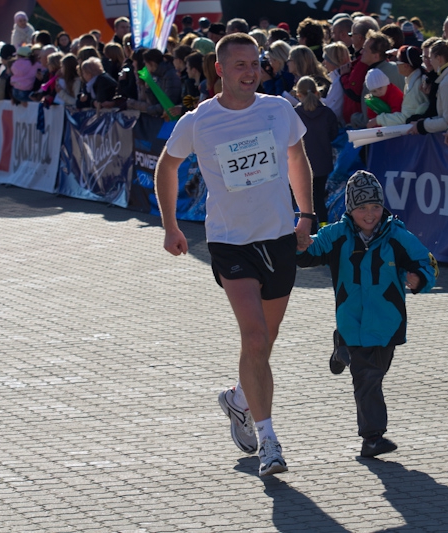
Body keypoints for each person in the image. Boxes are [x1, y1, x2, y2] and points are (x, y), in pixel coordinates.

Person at [153, 33, 314, 477]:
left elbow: (297, 158)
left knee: (267, 340)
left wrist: (307, 215)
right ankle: (269, 441)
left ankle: (239, 399)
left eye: (255, 63)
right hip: (229, 242)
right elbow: (168, 166)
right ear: (220, 70)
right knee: (256, 339)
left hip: (279, 237)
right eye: (240, 64)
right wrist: (171, 226)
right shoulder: (199, 121)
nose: (250, 71)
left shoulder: (279, 110)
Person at [296, 171, 438, 457]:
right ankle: (372, 438)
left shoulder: (396, 236)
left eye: (374, 207)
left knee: (376, 373)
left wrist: (420, 279)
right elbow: (309, 252)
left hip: (387, 324)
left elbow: (427, 262)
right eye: (362, 208)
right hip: (352, 320)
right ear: (350, 209)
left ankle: (340, 350)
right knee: (368, 378)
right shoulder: (337, 234)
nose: (369, 214)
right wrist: (297, 243)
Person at [294, 76, 338, 228]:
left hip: (302, 165)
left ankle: (310, 229)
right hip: (323, 164)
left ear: (298, 94)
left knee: (305, 200)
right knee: (319, 198)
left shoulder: (295, 114)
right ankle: (324, 226)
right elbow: (334, 134)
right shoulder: (327, 113)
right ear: (317, 92)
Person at [409, 39, 448, 135]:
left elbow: (447, 121)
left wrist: (421, 125)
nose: (430, 62)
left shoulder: (447, 83)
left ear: (439, 59)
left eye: (431, 58)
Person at [367, 45, 428, 128]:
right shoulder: (417, 78)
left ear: (406, 66)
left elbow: (406, 118)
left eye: (397, 61)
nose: (396, 64)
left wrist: (378, 120)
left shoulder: (414, 89)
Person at [322, 42, 351, 122]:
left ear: (333, 60)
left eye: (326, 58)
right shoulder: (338, 79)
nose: (324, 62)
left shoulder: (339, 81)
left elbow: (334, 110)